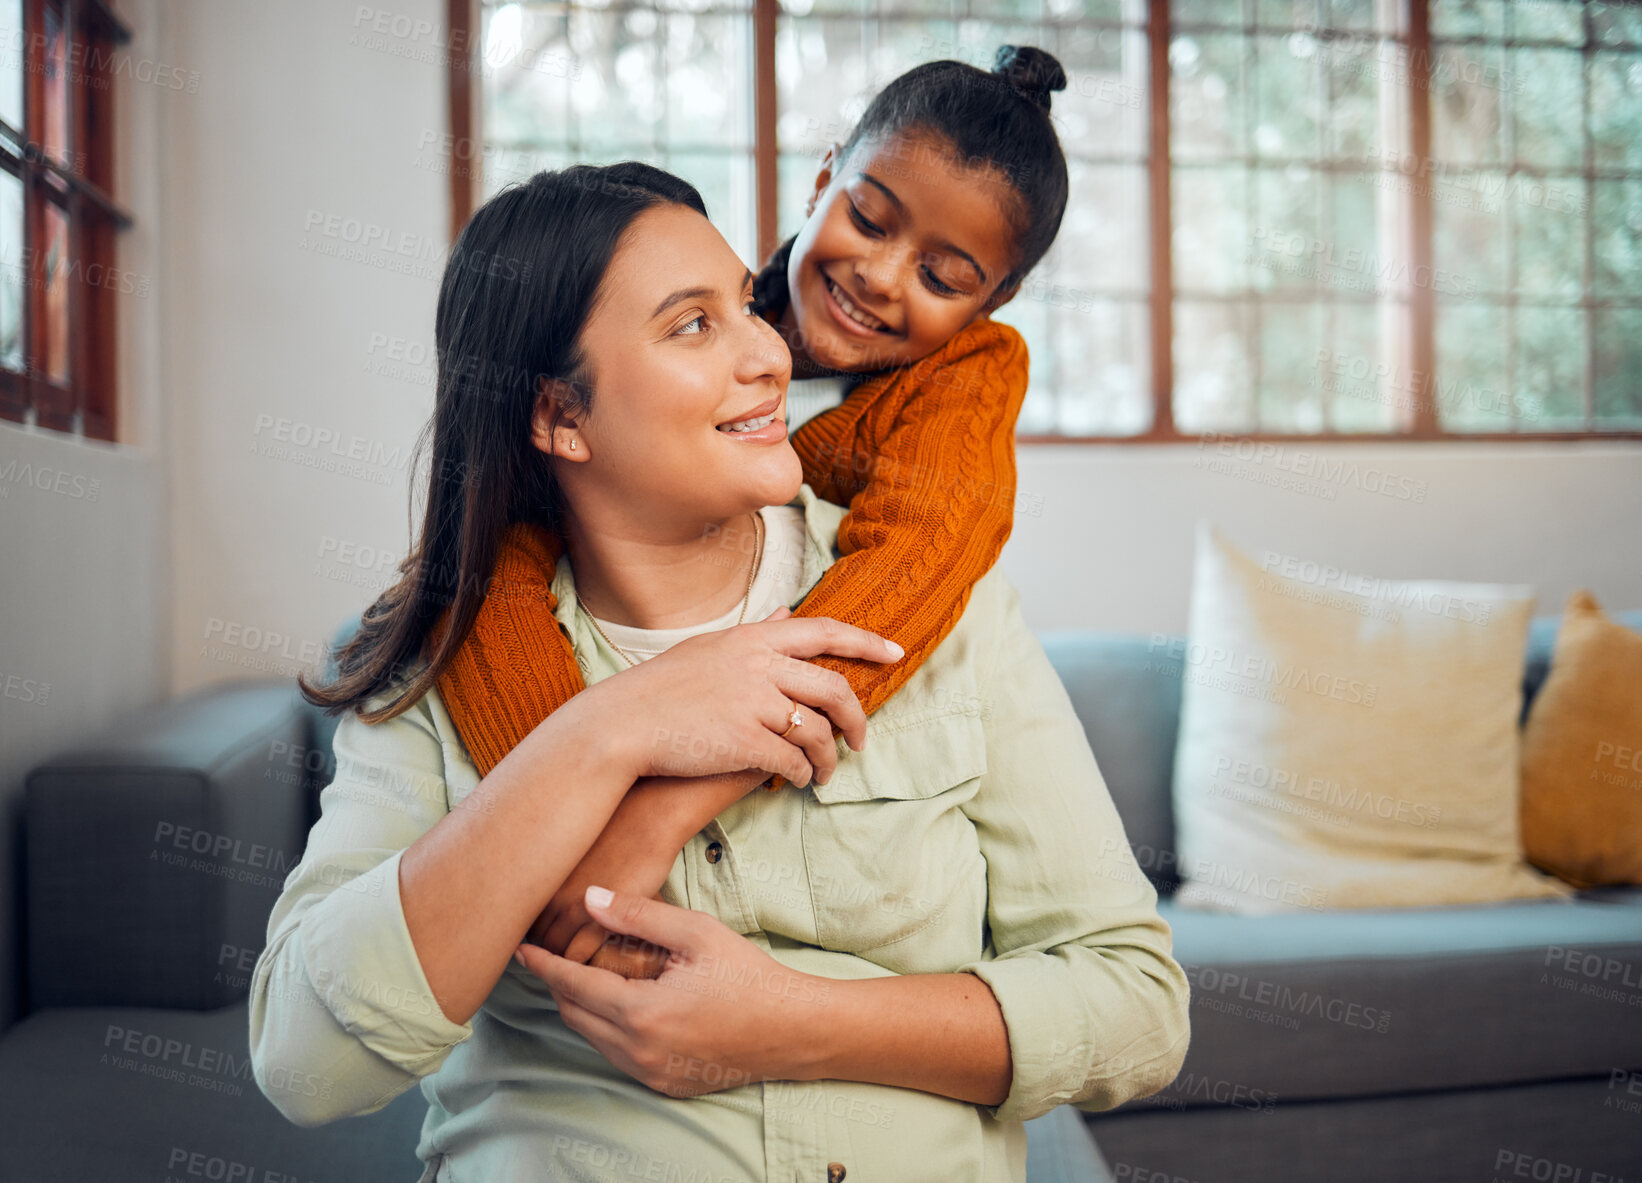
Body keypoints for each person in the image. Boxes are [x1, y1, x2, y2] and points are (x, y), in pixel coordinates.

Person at [252, 158, 1189, 1182]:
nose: (768, 354)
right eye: (691, 326)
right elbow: (308, 1065)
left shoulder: (941, 613)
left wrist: (794, 1024)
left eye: (746, 303)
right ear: (560, 415)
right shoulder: (441, 657)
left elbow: (1137, 1007)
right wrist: (610, 728)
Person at [430, 48, 1072, 974]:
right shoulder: (700, 310)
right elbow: (494, 550)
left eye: (943, 277)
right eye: (867, 218)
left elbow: (920, 561)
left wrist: (662, 814)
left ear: (995, 300)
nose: (884, 277)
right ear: (825, 177)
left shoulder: (965, 378)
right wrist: (581, 812)